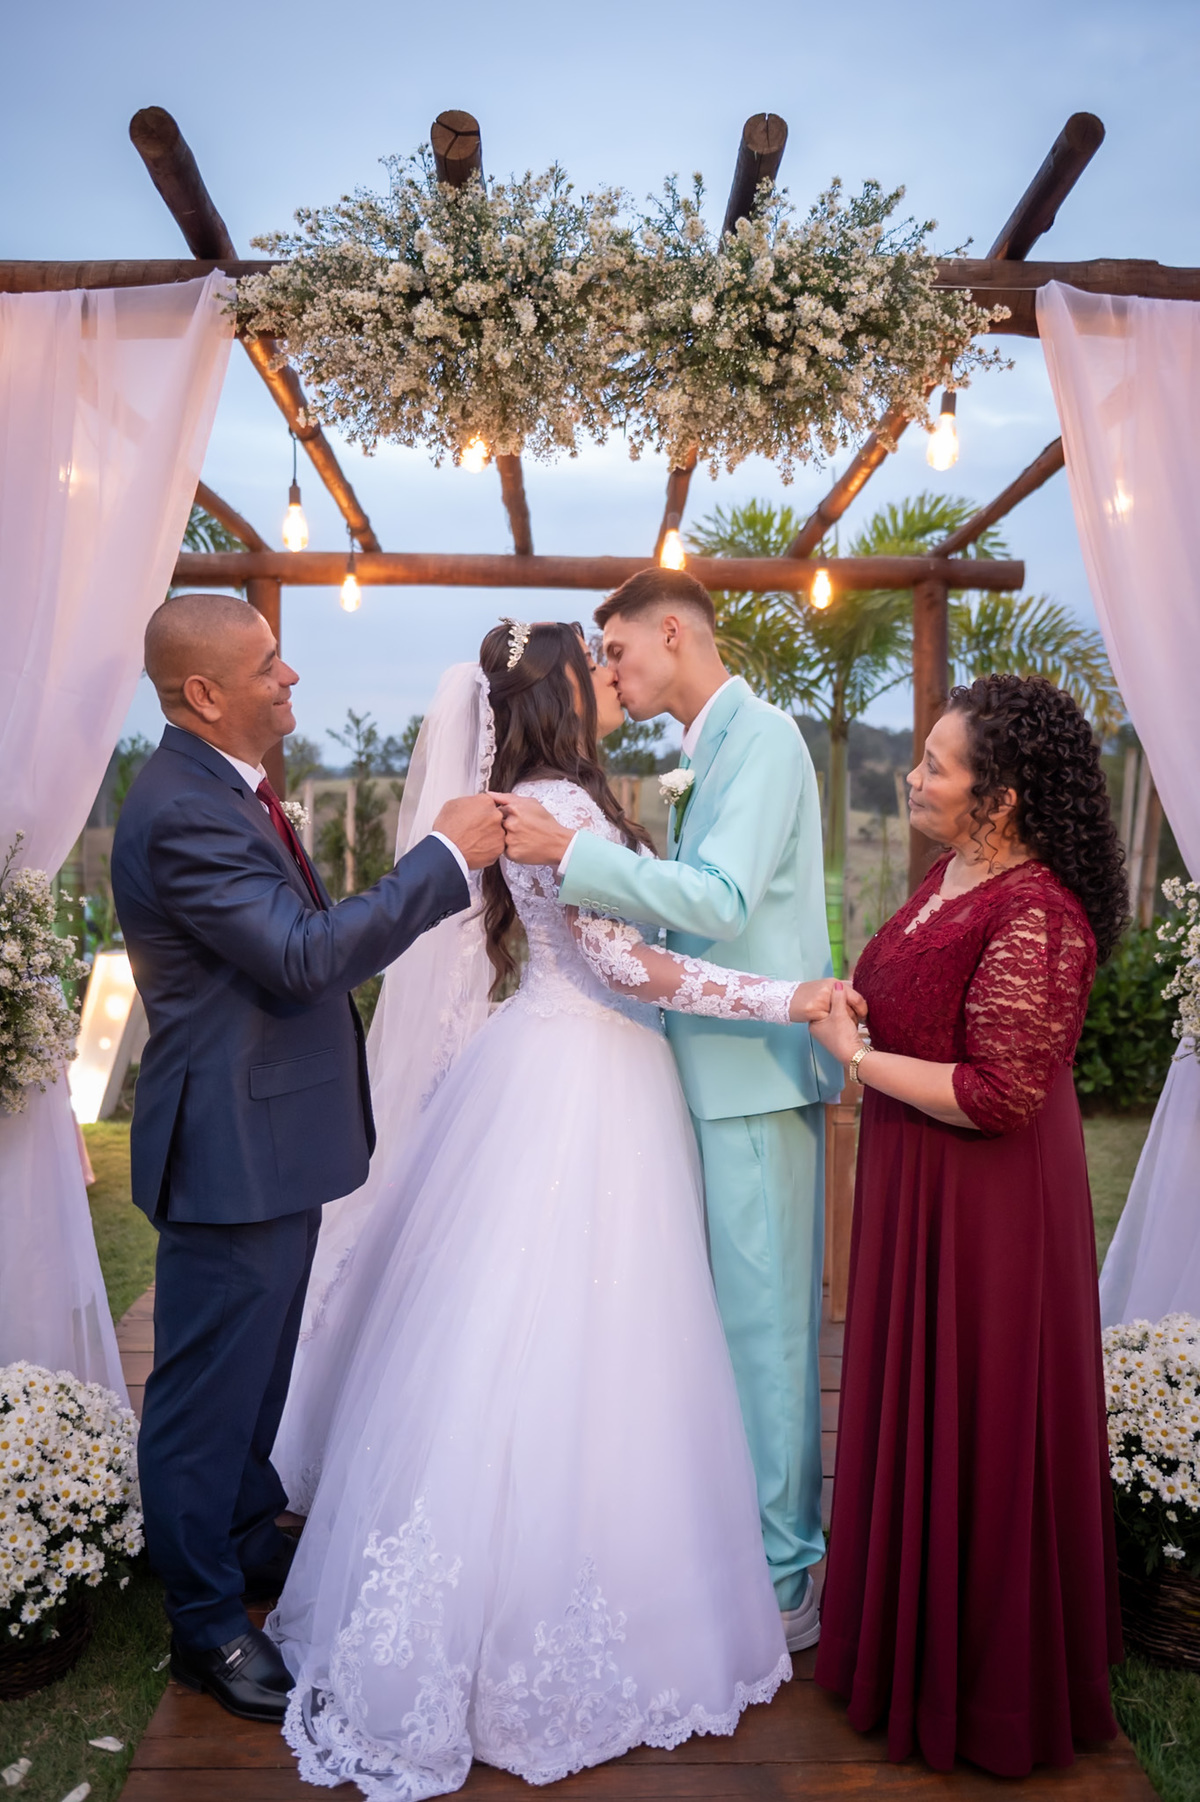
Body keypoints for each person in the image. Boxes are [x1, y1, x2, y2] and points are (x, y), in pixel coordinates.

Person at [269, 622, 859, 1797]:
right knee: (591, 1343)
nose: (611, 675)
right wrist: (788, 996)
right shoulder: (563, 808)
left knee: (536, 1340)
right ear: (559, 693)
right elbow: (633, 968)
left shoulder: (529, 799)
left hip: (547, 1054)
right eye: (595, 665)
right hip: (592, 1080)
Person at [110, 593, 504, 1725]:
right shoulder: (182, 811)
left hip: (270, 1139)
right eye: (269, 664)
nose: (290, 678)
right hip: (227, 1149)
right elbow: (298, 956)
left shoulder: (227, 790)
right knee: (203, 1397)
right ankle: (203, 1624)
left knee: (258, 1374)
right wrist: (442, 857)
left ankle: (243, 1536)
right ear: (203, 693)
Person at [500, 570, 841, 1648]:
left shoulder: (766, 740)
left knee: (767, 1332)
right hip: (696, 1069)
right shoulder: (703, 752)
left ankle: (788, 1573)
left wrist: (578, 854)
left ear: (673, 632)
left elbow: (726, 903)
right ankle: (738, 1543)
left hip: (753, 1077)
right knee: (719, 1331)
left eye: (617, 650)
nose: (609, 671)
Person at [810, 674, 1128, 1777]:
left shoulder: (1038, 913)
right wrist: (858, 1006)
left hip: (989, 1205)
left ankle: (982, 1689)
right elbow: (916, 997)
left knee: (982, 1415)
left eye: (935, 765)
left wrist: (857, 1059)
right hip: (918, 1180)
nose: (914, 776)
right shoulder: (949, 874)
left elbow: (1000, 1093)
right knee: (914, 1402)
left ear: (999, 798)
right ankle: (899, 1648)